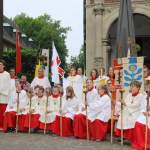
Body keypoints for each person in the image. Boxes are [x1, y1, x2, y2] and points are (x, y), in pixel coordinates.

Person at [132, 81, 150, 150]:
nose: (148, 89)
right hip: (144, 114)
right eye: (147, 87)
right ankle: (140, 143)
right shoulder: (144, 97)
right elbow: (142, 107)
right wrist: (144, 111)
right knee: (138, 123)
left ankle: (147, 144)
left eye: (149, 87)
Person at [0, 59, 11, 129]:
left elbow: (7, 86)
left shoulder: (7, 74)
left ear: (3, 66)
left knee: (2, 112)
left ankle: (2, 126)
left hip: (3, 96)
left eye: (0, 65)